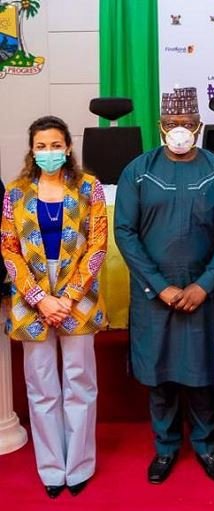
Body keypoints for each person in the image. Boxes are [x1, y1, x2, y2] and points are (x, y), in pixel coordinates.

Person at [114, 87, 214, 485]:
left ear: (199, 126)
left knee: (202, 374)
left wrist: (204, 285)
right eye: (171, 124)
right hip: (154, 296)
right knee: (160, 374)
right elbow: (125, 232)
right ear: (160, 127)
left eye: (186, 124)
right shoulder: (139, 170)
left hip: (204, 294)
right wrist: (158, 286)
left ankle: (206, 447)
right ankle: (165, 448)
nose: (179, 131)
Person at [1, 116, 108, 498]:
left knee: (80, 383)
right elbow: (9, 249)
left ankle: (78, 466)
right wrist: (40, 298)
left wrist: (67, 298)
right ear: (32, 150)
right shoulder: (15, 193)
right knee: (41, 386)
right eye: (41, 146)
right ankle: (50, 468)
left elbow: (97, 245)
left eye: (56, 145)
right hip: (32, 297)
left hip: (76, 296)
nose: (49, 152)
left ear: (68, 148)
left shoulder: (88, 187)